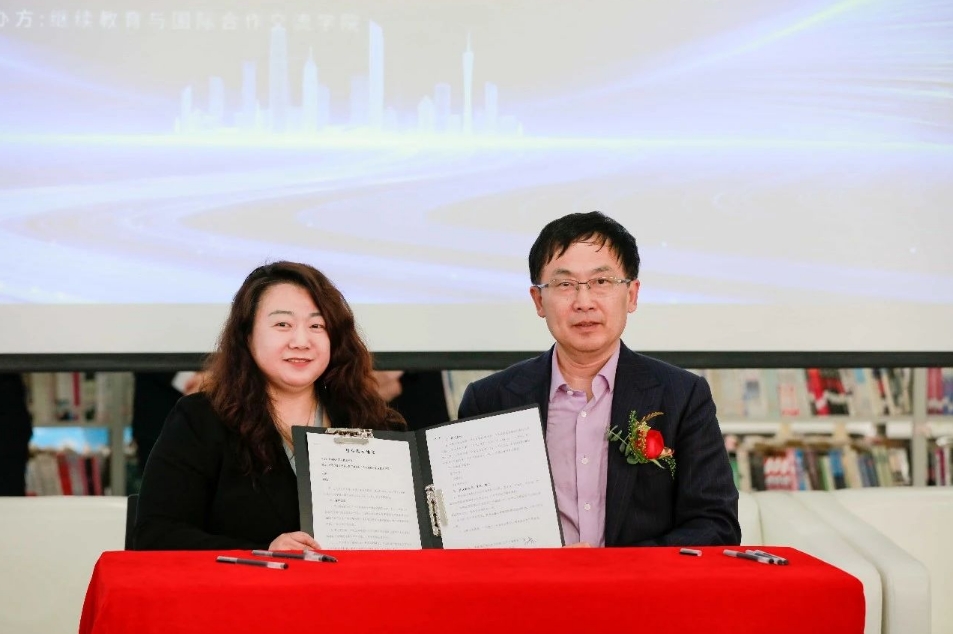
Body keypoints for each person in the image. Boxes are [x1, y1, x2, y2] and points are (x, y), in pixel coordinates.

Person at [458, 211, 740, 547]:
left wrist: (612, 568)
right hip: (533, 580)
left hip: (638, 581)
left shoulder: (683, 396)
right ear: (538, 300)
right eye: (564, 285)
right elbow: (471, 532)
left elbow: (715, 524)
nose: (584, 302)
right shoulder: (489, 400)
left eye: (601, 282)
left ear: (631, 295)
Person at [134, 261, 405, 550]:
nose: (301, 341)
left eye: (317, 326)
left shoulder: (374, 423)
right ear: (247, 335)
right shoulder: (200, 420)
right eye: (282, 325)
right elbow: (157, 535)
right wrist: (262, 554)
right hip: (242, 580)